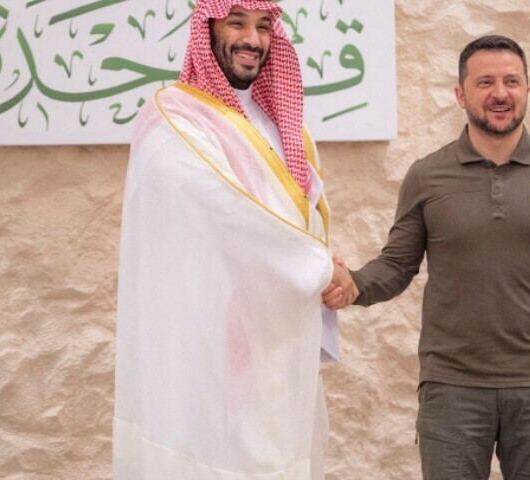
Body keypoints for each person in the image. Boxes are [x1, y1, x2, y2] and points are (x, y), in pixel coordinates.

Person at [323, 35, 530, 479]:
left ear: (528, 90)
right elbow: (398, 265)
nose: (500, 93)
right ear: (461, 95)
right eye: (485, 82)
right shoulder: (426, 175)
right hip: (450, 391)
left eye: (512, 81)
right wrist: (353, 282)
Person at [114, 1, 336, 478]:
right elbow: (228, 214)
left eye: (262, 27)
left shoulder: (282, 124)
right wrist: (318, 267)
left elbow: (301, 216)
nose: (252, 39)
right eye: (236, 23)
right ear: (206, 27)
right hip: (206, 348)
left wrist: (324, 266)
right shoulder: (173, 118)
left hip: (277, 347)